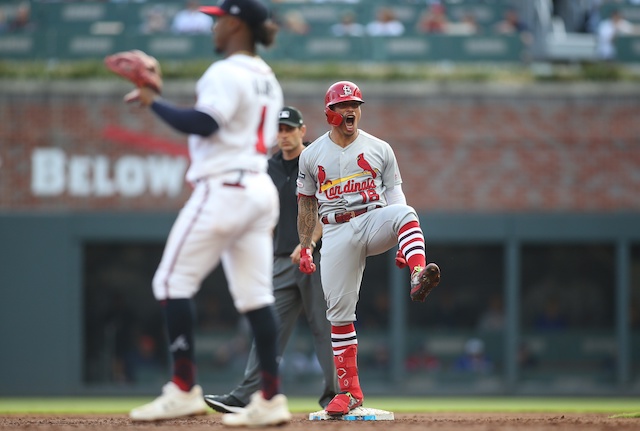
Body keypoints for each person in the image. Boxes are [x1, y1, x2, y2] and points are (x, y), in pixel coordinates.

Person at [125, 0, 291, 427]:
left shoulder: (225, 71)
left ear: (236, 24)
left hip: (224, 188)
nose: (212, 27)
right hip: (258, 188)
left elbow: (204, 123)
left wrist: (153, 102)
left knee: (170, 281)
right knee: (256, 297)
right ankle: (271, 398)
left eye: (217, 20)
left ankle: (182, 388)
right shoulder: (267, 78)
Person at [296, 80, 441, 417]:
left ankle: (419, 273)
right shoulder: (312, 154)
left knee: (405, 213)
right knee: (340, 313)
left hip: (372, 219)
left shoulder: (380, 148)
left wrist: (404, 246)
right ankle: (349, 392)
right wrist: (305, 246)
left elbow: (395, 198)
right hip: (334, 230)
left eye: (356, 104)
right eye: (343, 105)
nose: (351, 110)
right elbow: (306, 207)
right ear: (329, 112)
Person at [203, 106, 339, 414]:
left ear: (302, 131)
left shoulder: (317, 160)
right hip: (281, 261)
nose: (284, 135)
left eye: (289, 129)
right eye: (278, 129)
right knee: (268, 330)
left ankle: (336, 397)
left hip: (317, 258)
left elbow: (327, 209)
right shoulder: (267, 168)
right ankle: (247, 396)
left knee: (324, 329)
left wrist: (307, 243)